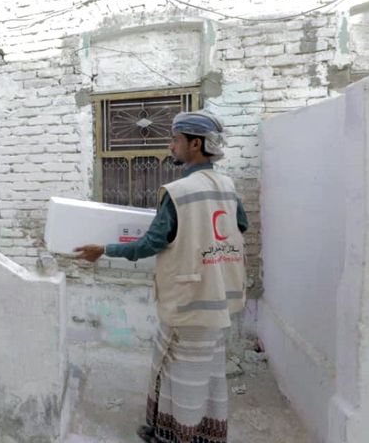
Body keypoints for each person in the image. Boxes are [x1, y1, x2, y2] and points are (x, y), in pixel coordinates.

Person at [75, 110, 247, 443]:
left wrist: (104, 249)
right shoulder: (227, 186)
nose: (171, 146)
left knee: (177, 371)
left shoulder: (178, 191)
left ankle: (173, 435)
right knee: (207, 372)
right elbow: (239, 227)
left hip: (188, 300)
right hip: (220, 297)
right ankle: (201, 434)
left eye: (175, 140)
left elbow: (151, 243)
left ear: (195, 144)